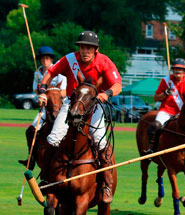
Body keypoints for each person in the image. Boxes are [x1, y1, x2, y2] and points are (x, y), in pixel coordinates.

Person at [38, 31, 122, 203]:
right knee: (54, 137)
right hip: (71, 102)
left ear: (96, 49)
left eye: (89, 48)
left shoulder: (104, 61)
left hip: (94, 103)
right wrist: (42, 90)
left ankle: (106, 184)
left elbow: (118, 85)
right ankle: (46, 178)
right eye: (83, 47)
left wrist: (106, 93)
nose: (85, 51)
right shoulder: (70, 59)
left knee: (100, 140)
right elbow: (50, 73)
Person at [18, 46, 67, 169]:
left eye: (47, 58)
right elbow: (35, 90)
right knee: (31, 130)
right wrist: (41, 90)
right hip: (46, 108)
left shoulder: (59, 72)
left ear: (51, 59)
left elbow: (64, 91)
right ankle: (31, 158)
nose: (44, 60)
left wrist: (49, 91)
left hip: (60, 107)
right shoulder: (38, 73)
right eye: (42, 58)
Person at [144, 58, 185, 155]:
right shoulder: (166, 80)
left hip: (182, 112)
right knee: (155, 126)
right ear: (172, 70)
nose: (178, 71)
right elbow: (156, 98)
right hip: (166, 111)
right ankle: (151, 148)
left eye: (181, 69)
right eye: (176, 68)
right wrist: (165, 93)